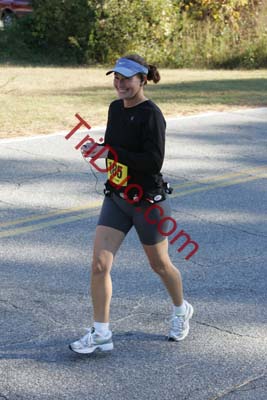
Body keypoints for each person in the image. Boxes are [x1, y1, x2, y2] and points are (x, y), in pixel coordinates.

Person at [69, 55, 193, 354]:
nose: (120, 84)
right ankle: (101, 333)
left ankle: (180, 310)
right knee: (99, 265)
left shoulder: (151, 115)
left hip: (147, 201)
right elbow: (116, 150)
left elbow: (152, 162)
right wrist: (101, 150)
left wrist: (112, 151)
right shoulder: (115, 109)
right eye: (116, 78)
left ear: (142, 80)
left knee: (160, 265)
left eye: (127, 78)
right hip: (117, 197)